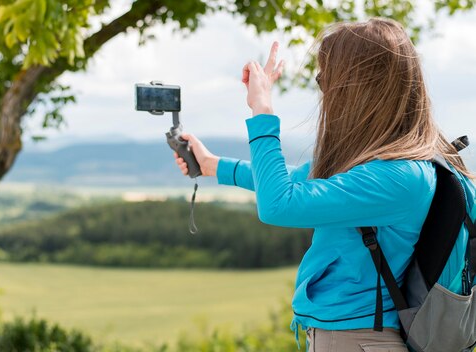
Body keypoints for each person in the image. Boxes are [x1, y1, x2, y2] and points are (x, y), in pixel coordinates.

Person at [172, 18, 476, 352]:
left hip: (356, 339)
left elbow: (279, 204)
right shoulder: (394, 163)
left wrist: (262, 110)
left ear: (358, 88)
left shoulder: (397, 177)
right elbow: (291, 181)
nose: (324, 92)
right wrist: (214, 166)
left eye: (325, 80)